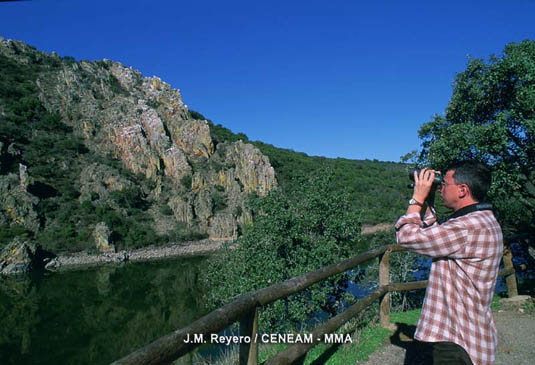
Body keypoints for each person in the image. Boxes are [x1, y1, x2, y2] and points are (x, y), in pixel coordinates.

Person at [395, 161, 503, 365]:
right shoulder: (480, 220)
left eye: (444, 184)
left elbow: (407, 237)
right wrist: (430, 201)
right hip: (466, 333)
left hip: (456, 340)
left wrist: (416, 199)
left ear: (462, 190)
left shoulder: (467, 227)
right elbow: (436, 235)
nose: (441, 187)